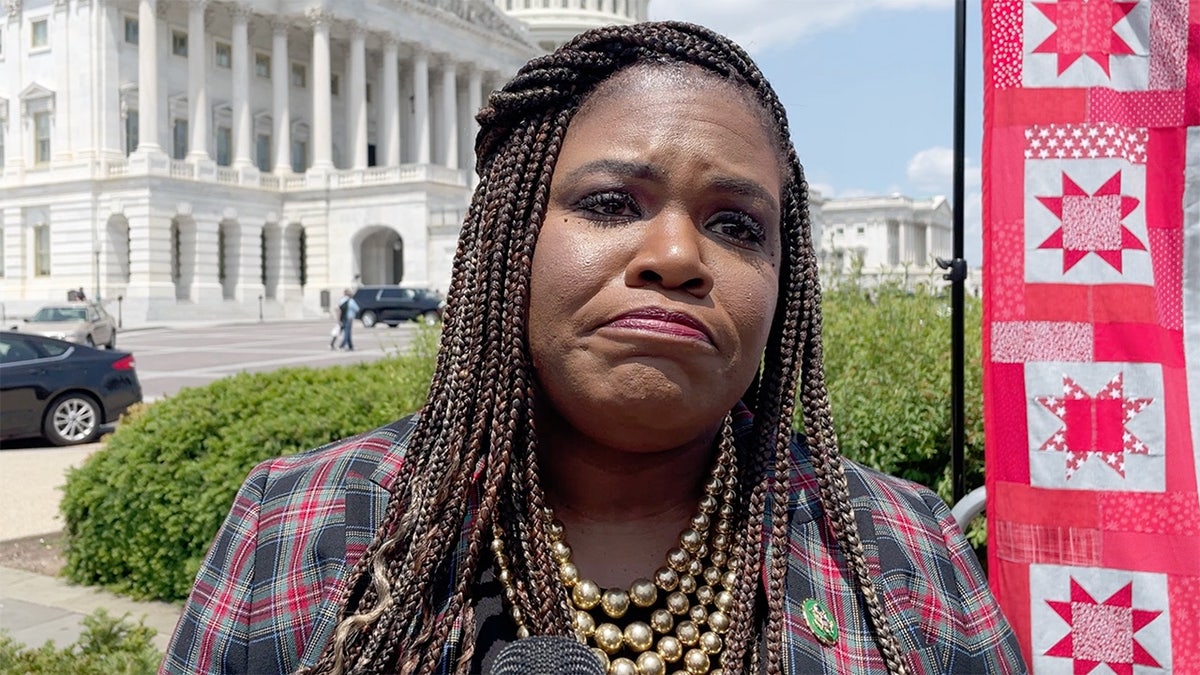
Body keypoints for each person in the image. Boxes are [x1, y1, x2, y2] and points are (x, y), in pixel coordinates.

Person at [161, 22, 1026, 675]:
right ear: (509, 243)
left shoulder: (900, 555)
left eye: (736, 224)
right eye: (613, 204)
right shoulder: (306, 531)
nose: (679, 258)